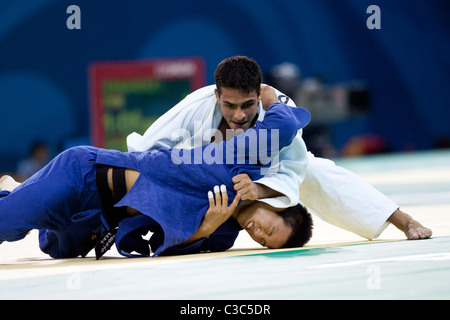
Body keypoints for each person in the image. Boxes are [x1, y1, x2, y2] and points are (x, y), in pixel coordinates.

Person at [127, 55, 432, 241]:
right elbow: (148, 147)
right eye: (230, 105)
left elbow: (294, 166)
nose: (239, 115)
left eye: (247, 105)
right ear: (217, 95)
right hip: (200, 172)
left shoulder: (278, 106)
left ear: (259, 96)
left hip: (267, 172)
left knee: (316, 171)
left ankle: (401, 220)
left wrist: (258, 191)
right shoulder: (198, 103)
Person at [0, 101, 313, 259]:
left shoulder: (222, 237)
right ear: (277, 206)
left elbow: (163, 252)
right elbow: (285, 125)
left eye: (262, 242)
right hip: (83, 175)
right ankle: (18, 199)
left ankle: (15, 191)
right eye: (268, 228)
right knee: (7, 223)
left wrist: (207, 226)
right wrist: (271, 98)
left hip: (99, 219)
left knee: (55, 248)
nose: (257, 233)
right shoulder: (240, 166)